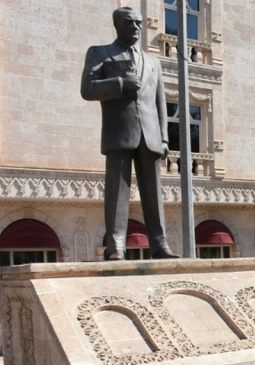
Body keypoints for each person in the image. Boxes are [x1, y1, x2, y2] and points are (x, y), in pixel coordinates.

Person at [81, 7, 178, 261]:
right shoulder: (100, 53)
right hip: (119, 132)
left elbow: (161, 103)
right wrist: (121, 84)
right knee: (117, 192)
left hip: (151, 135)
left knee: (154, 194)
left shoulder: (153, 62)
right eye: (129, 23)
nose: (135, 27)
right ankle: (116, 247)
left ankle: (159, 244)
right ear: (117, 25)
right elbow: (88, 89)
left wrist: (165, 138)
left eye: (138, 23)